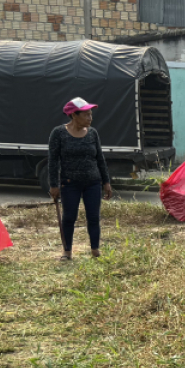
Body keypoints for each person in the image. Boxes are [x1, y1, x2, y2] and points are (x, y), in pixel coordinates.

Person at [48, 97, 113, 261]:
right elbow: (53, 160)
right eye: (86, 115)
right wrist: (53, 185)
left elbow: (100, 158)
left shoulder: (93, 133)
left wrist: (106, 182)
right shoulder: (59, 133)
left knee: (93, 217)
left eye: (91, 114)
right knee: (69, 217)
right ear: (74, 115)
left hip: (93, 182)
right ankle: (67, 251)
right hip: (70, 183)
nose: (90, 118)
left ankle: (95, 250)